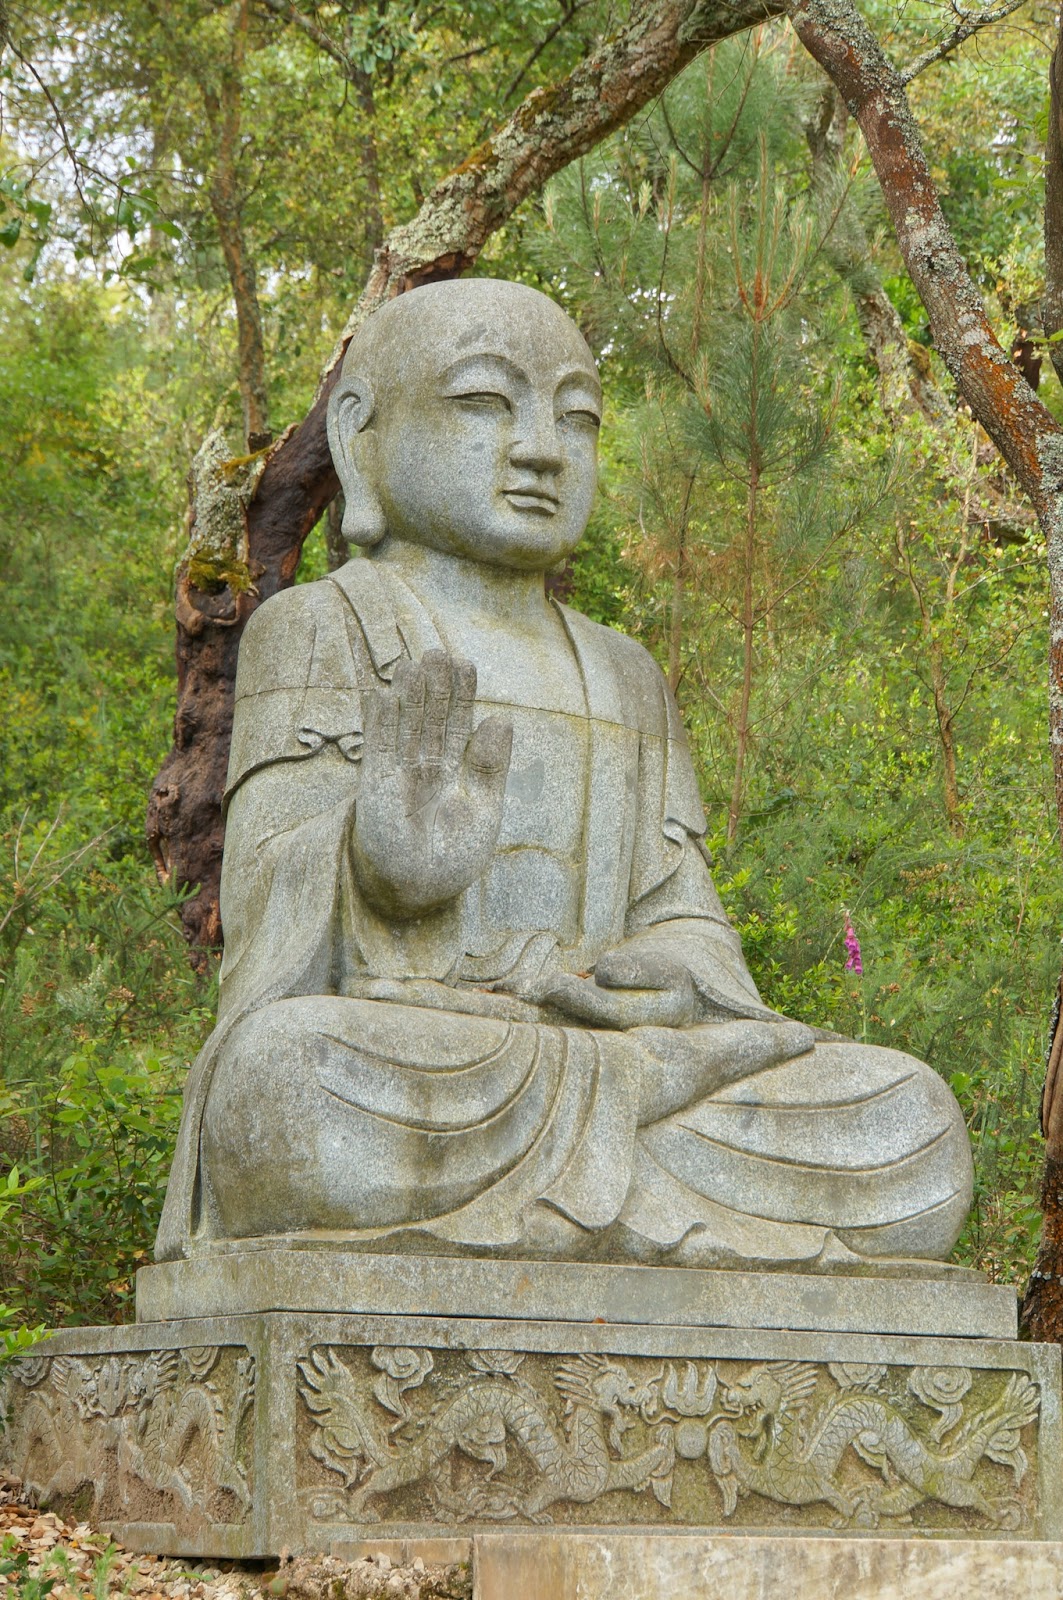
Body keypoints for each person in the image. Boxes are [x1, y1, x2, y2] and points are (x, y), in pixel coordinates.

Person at [155, 280, 973, 1271]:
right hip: (434, 1054)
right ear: (361, 434)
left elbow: (687, 921)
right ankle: (638, 1205)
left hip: (630, 1060)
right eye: (485, 404)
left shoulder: (626, 672)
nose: (542, 447)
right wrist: (379, 860)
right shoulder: (322, 626)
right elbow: (260, 924)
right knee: (282, 1084)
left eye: (575, 417)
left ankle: (585, 1193)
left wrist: (666, 973)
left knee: (908, 1116)